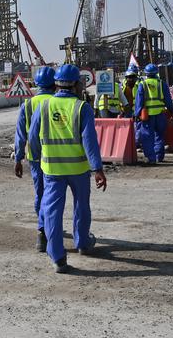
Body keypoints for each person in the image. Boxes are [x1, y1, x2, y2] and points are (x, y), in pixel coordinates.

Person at [27, 64, 107, 273]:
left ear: (57, 84)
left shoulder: (43, 107)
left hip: (52, 171)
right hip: (79, 170)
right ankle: (82, 243)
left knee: (52, 211)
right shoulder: (82, 108)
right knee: (81, 206)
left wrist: (36, 159)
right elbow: (90, 141)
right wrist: (97, 168)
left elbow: (33, 138)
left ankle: (58, 258)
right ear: (76, 84)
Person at [14, 66, 56, 252]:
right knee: (54, 195)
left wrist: (18, 158)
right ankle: (48, 229)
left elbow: (20, 134)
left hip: (35, 157)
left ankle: (42, 232)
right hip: (56, 156)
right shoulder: (57, 101)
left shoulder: (28, 105)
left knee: (40, 193)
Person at [134, 63, 173, 164]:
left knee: (147, 137)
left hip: (147, 115)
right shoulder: (162, 83)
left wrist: (137, 114)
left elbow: (139, 101)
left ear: (146, 73)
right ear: (156, 73)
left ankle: (151, 159)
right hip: (160, 114)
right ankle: (159, 156)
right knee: (159, 135)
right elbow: (168, 100)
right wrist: (171, 111)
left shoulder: (142, 84)